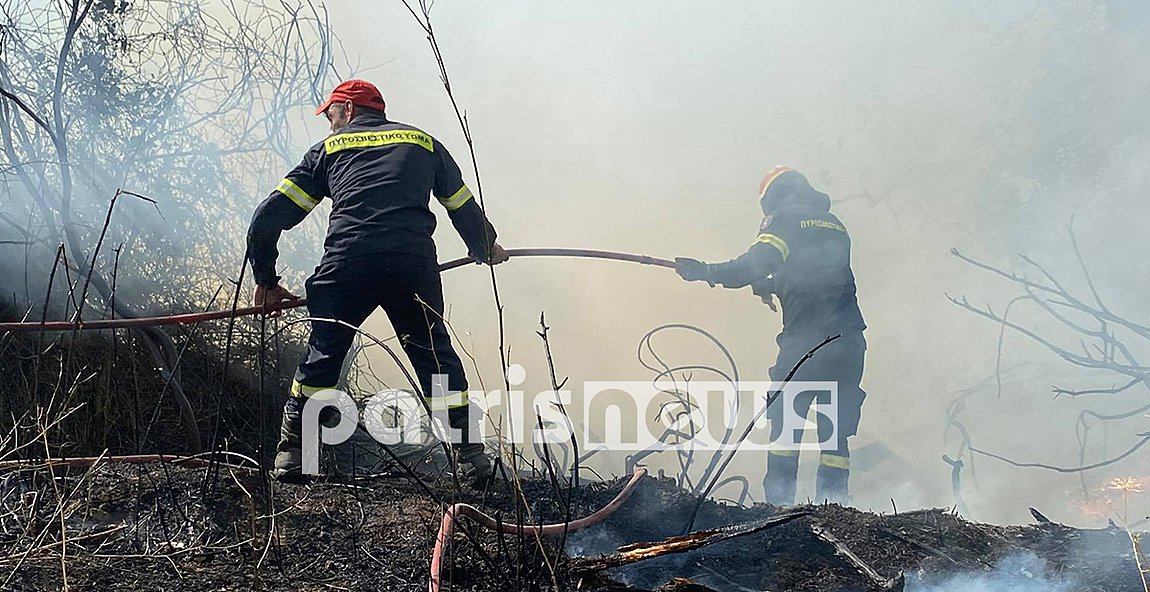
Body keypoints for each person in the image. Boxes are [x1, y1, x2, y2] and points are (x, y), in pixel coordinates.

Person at [246, 79, 507, 485]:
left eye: (330, 115)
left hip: (347, 263)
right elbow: (460, 203)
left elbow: (268, 219)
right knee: (433, 356)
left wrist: (265, 279)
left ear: (347, 110)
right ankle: (470, 457)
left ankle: (294, 454)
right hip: (411, 265)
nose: (329, 124)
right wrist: (485, 246)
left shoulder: (328, 151)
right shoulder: (424, 143)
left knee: (324, 353)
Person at [674, 166, 866, 505]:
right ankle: (835, 509)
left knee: (786, 426)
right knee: (835, 434)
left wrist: (706, 272)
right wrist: (771, 284)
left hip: (807, 342)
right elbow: (817, 278)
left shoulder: (784, 218)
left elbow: (754, 263)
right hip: (848, 344)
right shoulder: (833, 224)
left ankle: (779, 509)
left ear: (772, 198)